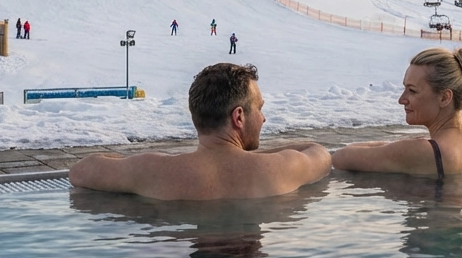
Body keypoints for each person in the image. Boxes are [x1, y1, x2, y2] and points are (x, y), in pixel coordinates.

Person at [69, 63, 331, 200]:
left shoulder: (152, 170)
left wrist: (165, 160)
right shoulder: (281, 167)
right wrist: (252, 158)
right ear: (238, 116)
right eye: (259, 108)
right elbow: (321, 154)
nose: (263, 118)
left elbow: (79, 171)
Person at [331, 48, 462, 177]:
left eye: (412, 91)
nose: (402, 99)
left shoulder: (424, 151)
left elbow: (340, 157)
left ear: (445, 98)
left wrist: (401, 146)